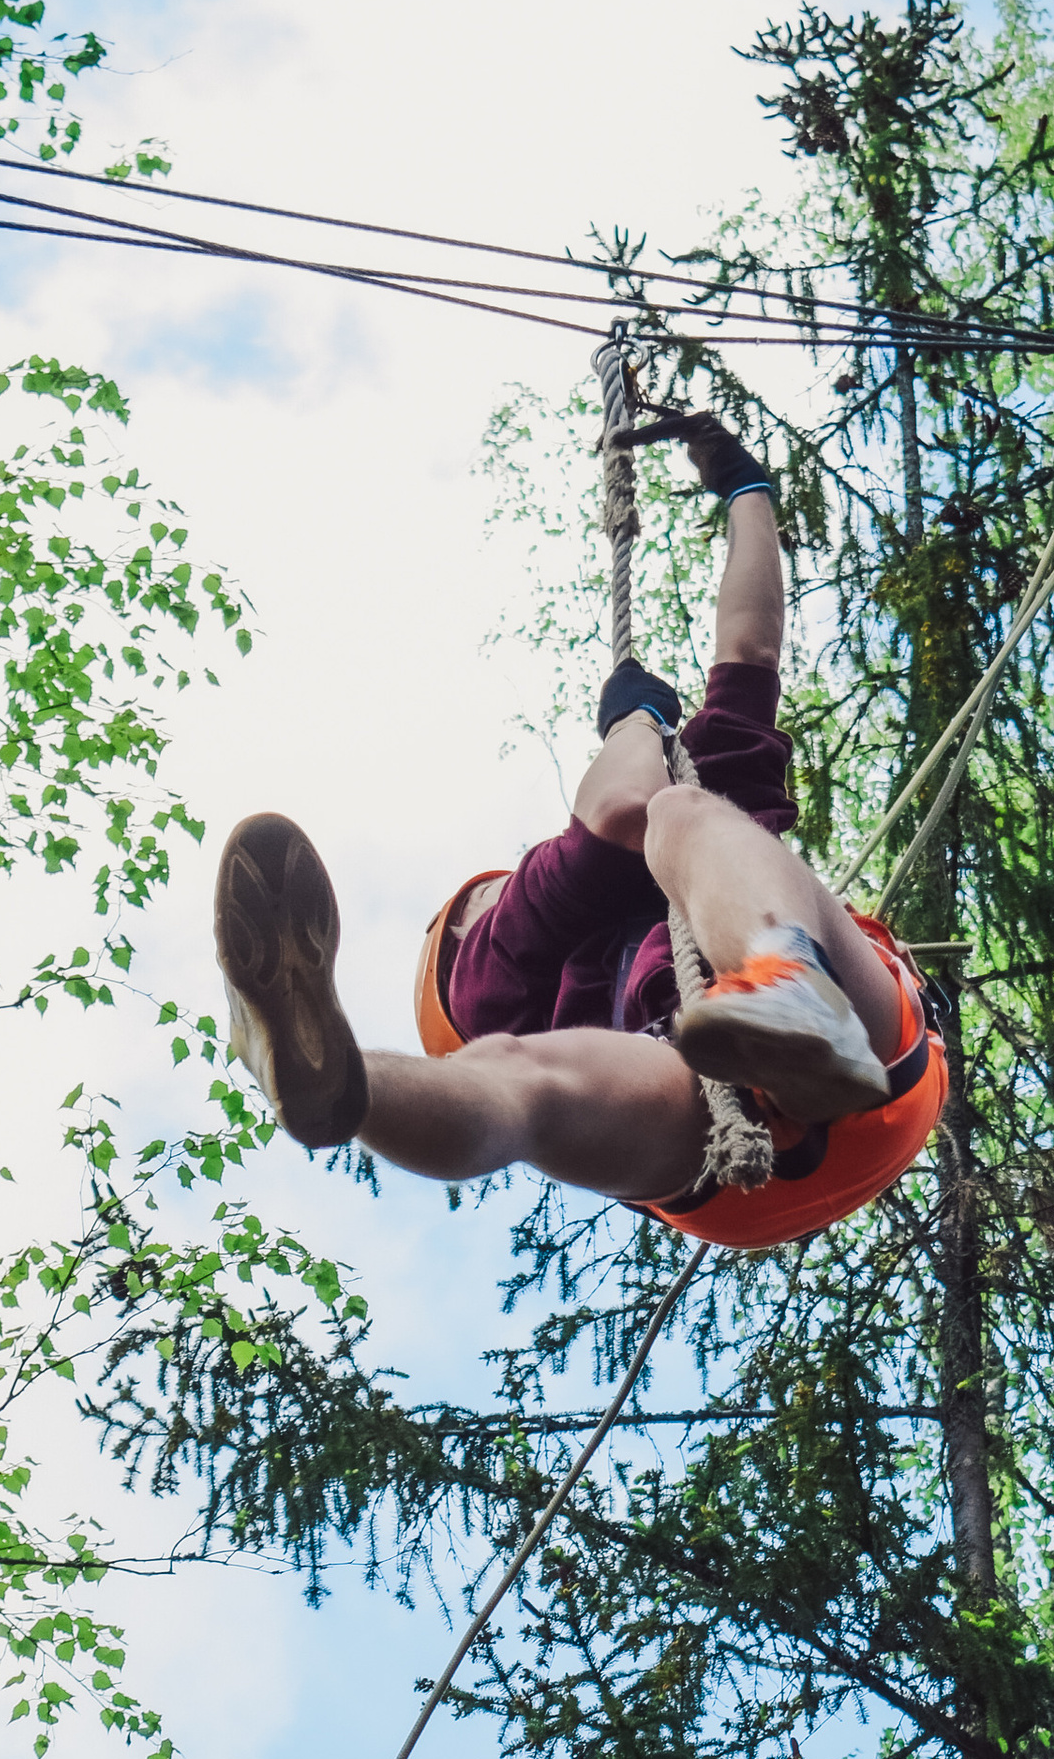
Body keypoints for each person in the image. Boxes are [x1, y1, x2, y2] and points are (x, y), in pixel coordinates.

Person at [212, 409, 948, 1250]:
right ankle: (786, 980)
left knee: (523, 1090)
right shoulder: (507, 956)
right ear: (466, 919)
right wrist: (633, 719)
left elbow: (741, 655)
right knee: (678, 815)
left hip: (710, 1152)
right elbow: (628, 799)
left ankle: (340, 1088)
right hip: (856, 1069)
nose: (507, 885)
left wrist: (746, 492)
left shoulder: (516, 983)